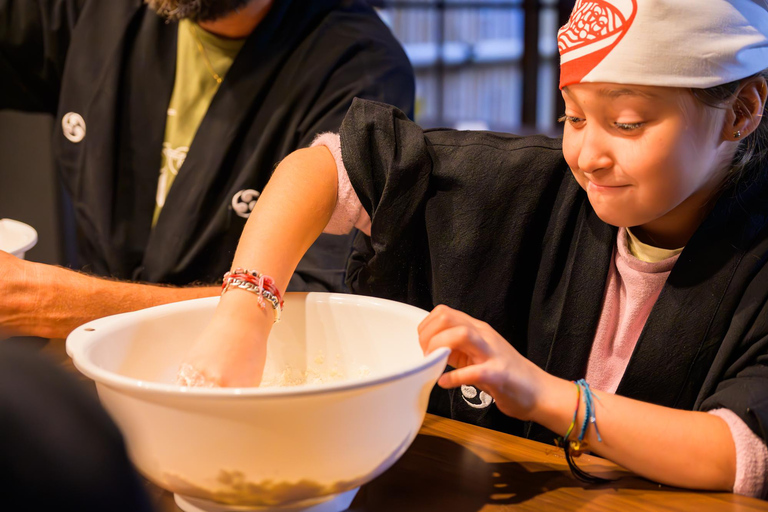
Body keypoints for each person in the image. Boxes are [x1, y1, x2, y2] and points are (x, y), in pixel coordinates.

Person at [179, 0, 768, 499]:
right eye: (575, 117)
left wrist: (542, 394)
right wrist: (244, 311)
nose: (589, 156)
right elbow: (327, 168)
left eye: (629, 123)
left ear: (742, 112)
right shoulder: (528, 184)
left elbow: (740, 451)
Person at [0, 0, 414, 339]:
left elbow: (310, 302)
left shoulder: (358, 66)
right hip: (85, 373)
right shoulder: (100, 13)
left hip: (236, 392)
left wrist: (54, 300)